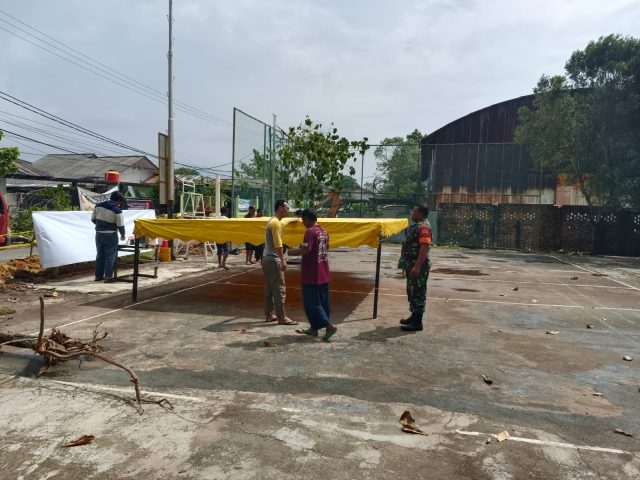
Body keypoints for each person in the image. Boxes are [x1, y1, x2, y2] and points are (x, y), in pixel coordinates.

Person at [288, 209, 336, 341]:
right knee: (323, 301)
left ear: (308, 219)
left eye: (303, 220)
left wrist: (290, 252)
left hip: (312, 273)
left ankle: (329, 326)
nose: (303, 222)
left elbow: (306, 249)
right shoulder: (324, 231)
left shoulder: (310, 231)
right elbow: (324, 248)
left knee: (311, 303)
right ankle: (314, 329)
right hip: (323, 272)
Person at [262, 199, 297, 325]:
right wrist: (282, 260)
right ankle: (281, 317)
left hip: (266, 259)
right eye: (287, 207)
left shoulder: (273, 221)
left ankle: (269, 314)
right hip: (273, 260)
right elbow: (278, 244)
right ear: (280, 208)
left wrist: (293, 220)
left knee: (269, 289)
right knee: (279, 289)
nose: (288, 209)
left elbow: (285, 222)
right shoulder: (276, 223)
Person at [399, 204, 433, 332]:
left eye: (414, 212)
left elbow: (425, 247)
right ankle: (413, 317)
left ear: (420, 214)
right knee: (412, 291)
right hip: (412, 265)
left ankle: (417, 323)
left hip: (418, 266)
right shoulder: (417, 226)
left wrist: (417, 266)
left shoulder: (423, 228)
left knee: (418, 292)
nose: (412, 214)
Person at [91, 191, 126, 283]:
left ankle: (98, 276)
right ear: (118, 201)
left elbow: (93, 219)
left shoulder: (98, 206)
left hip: (98, 234)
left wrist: (101, 226)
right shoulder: (117, 210)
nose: (120, 203)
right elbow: (120, 225)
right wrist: (122, 234)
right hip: (111, 235)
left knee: (100, 255)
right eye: (120, 201)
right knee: (110, 256)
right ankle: (108, 277)